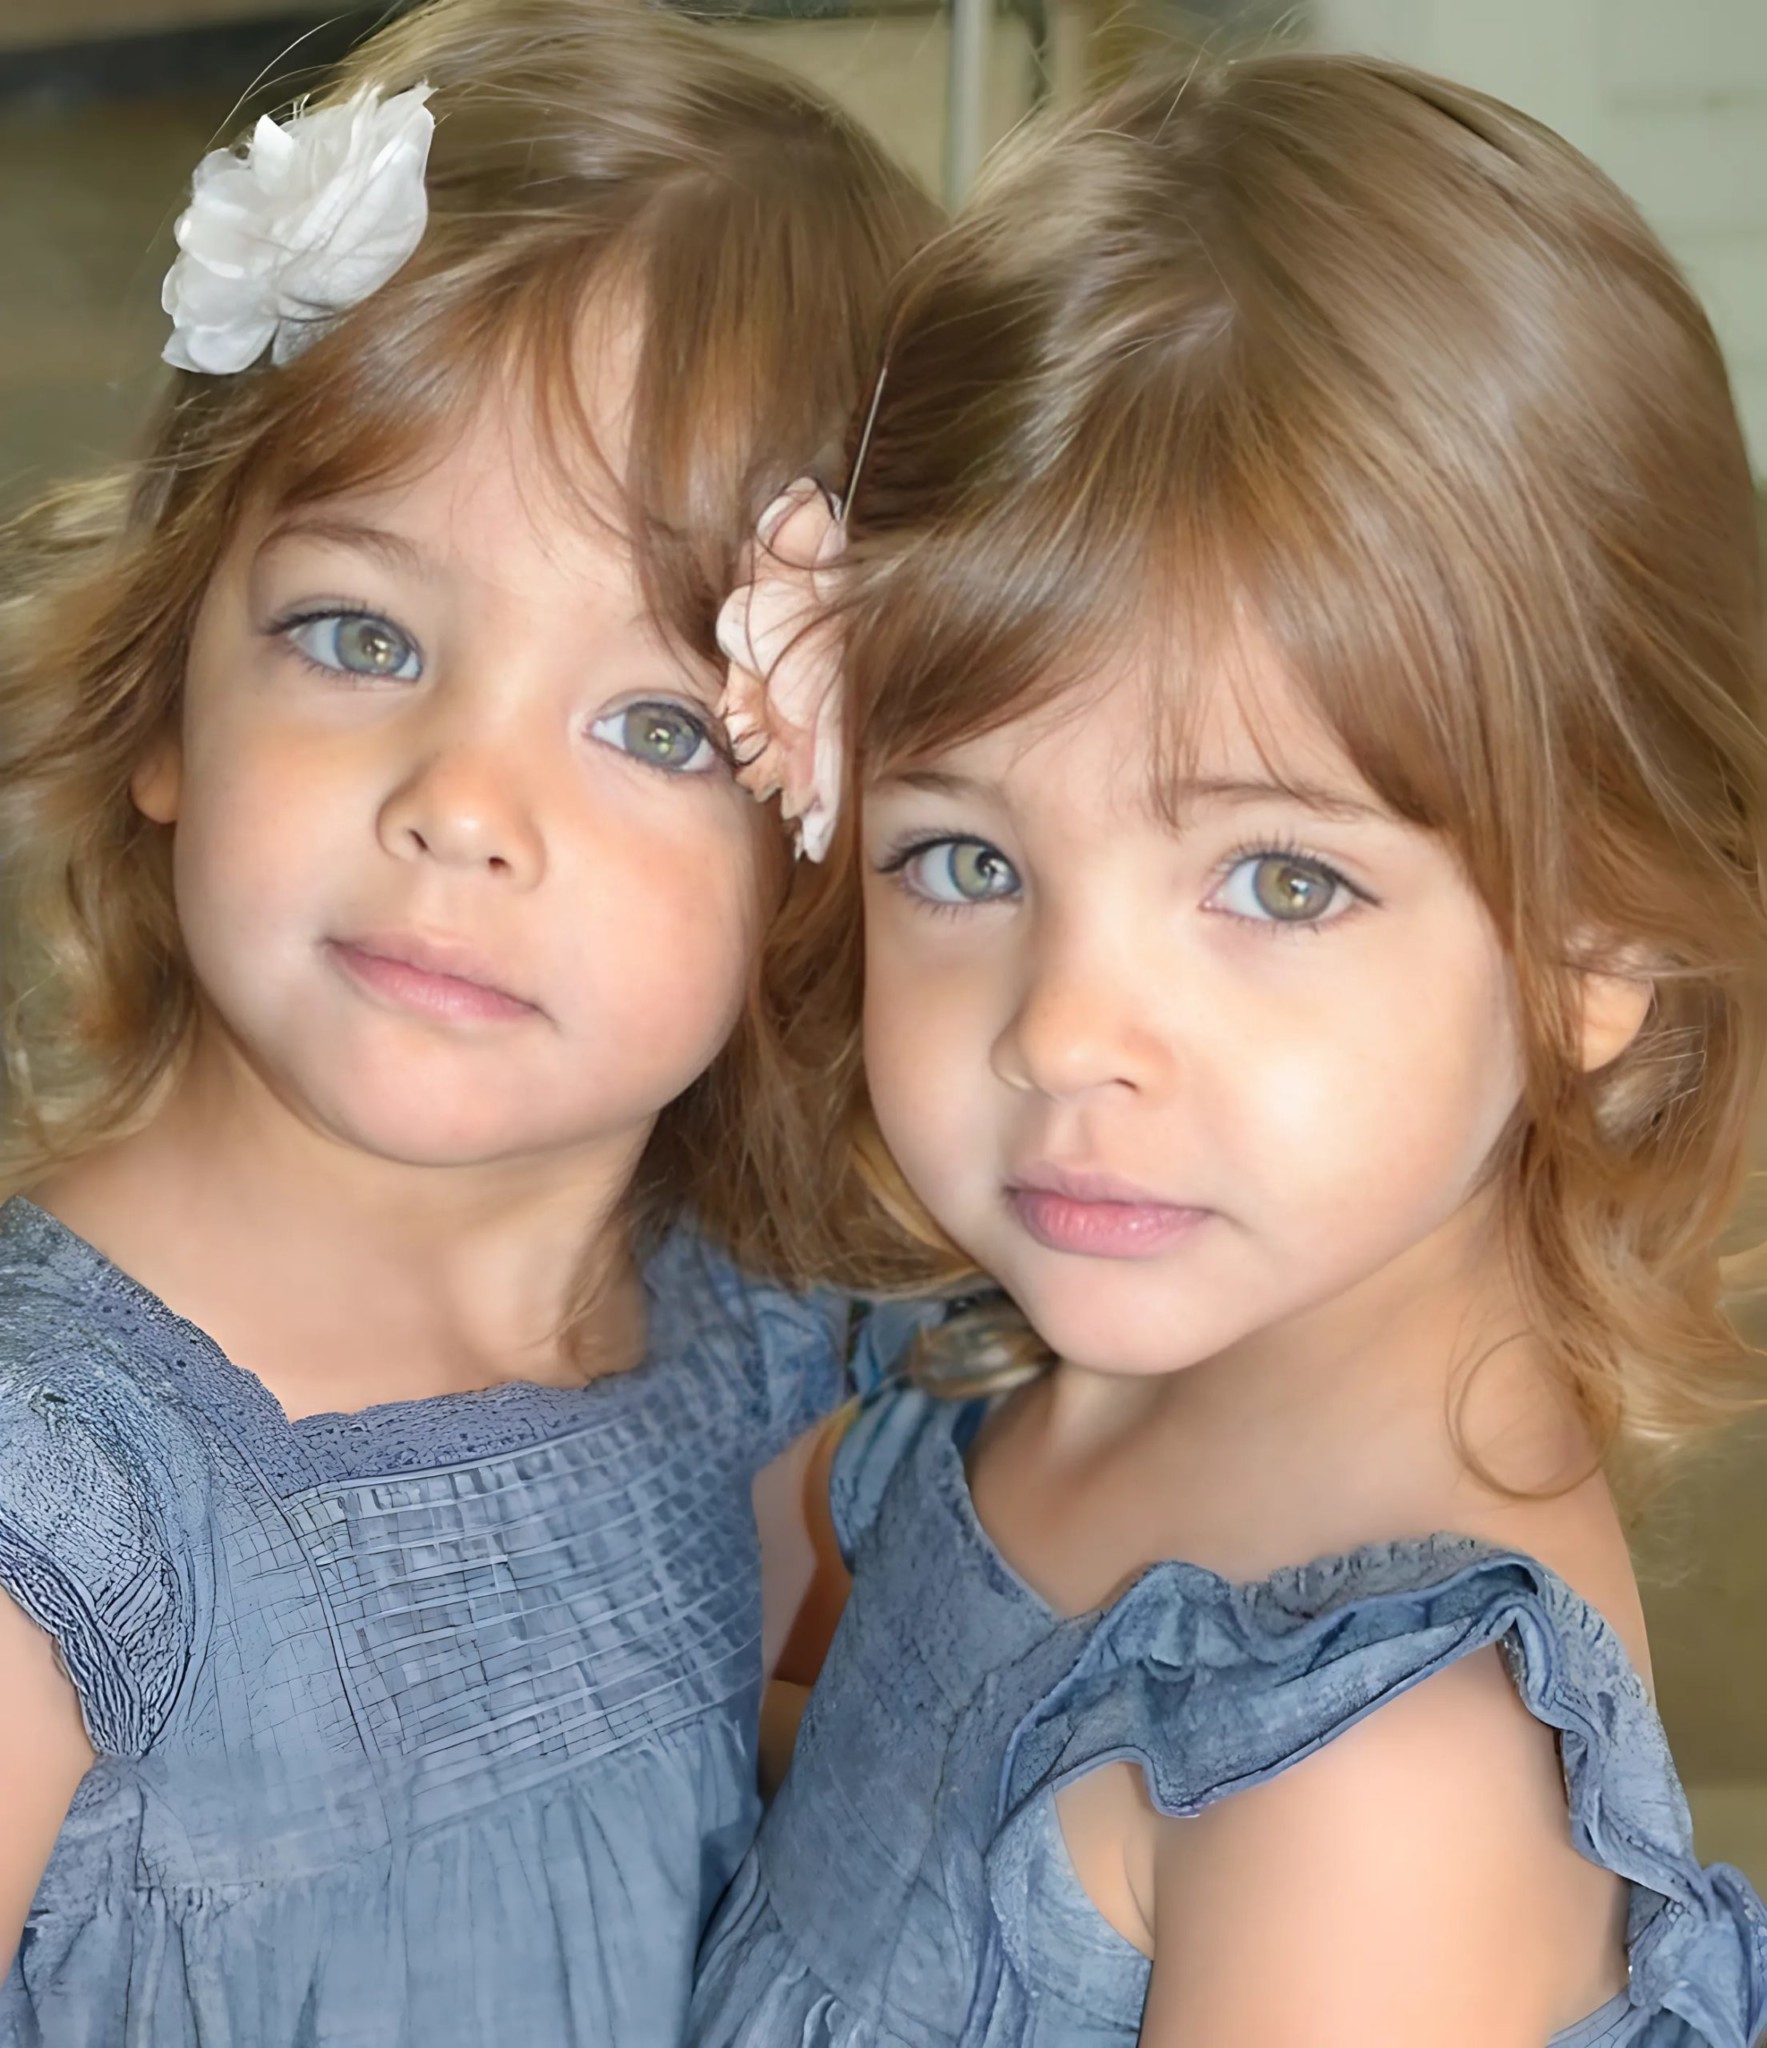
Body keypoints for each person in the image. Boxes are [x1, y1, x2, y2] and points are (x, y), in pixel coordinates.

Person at [691, 49, 1767, 2047]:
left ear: (1597, 942)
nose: (1063, 1033)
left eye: (1278, 881)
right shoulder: (1030, 1368)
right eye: (965, 858)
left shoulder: (1377, 1783)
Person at [0, 2, 931, 2040]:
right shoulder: (49, 1509)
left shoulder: (758, 1353)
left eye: (660, 727)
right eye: (361, 635)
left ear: (822, 860)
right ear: (163, 699)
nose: (466, 805)